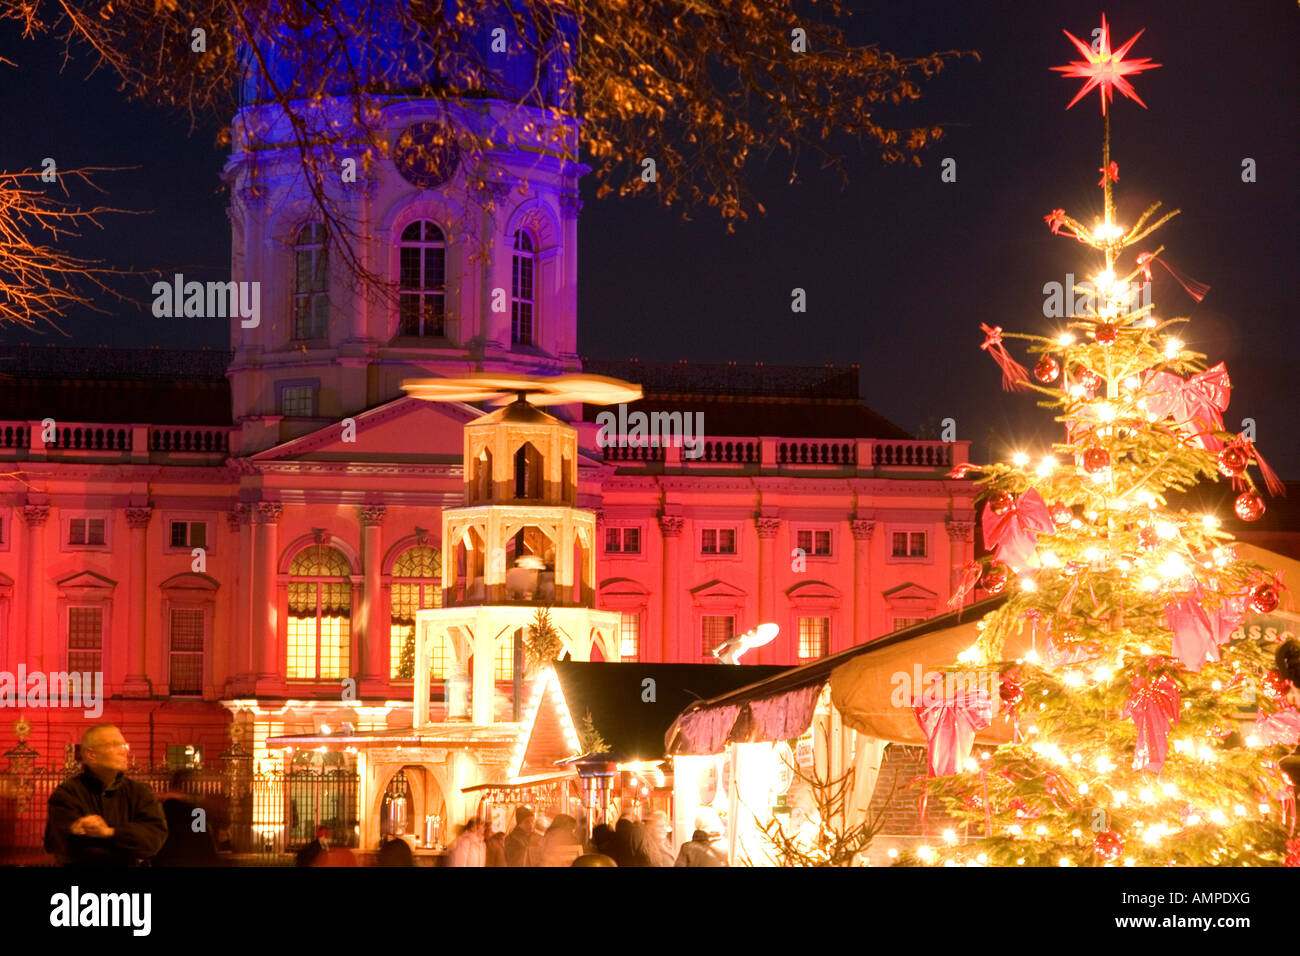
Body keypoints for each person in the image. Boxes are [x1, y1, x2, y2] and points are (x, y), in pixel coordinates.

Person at [44, 724, 168, 867]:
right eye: (114, 745)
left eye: (124, 745)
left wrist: (109, 832)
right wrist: (129, 846)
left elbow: (154, 840)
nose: (124, 752)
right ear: (91, 755)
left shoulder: (140, 792)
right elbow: (63, 845)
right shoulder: (67, 794)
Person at [151, 770, 220, 866]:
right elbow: (205, 846)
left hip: (164, 861)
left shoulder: (158, 810)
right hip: (190, 861)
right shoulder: (196, 812)